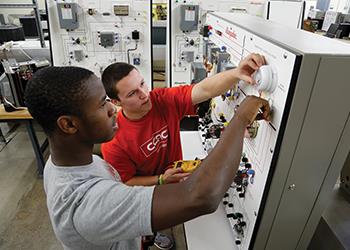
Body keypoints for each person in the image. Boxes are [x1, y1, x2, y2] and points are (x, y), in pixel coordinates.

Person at [24, 65, 270, 250]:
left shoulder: (73, 164)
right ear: (68, 124)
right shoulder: (88, 205)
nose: (112, 110)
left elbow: (203, 90)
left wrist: (238, 72)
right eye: (102, 105)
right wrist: (240, 119)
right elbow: (202, 197)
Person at [101, 53, 265, 186]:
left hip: (176, 180)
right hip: (149, 195)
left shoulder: (161, 100)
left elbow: (204, 90)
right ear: (116, 102)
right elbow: (127, 182)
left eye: (142, 84)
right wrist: (161, 180)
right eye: (132, 93)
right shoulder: (113, 142)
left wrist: (236, 73)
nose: (144, 94)